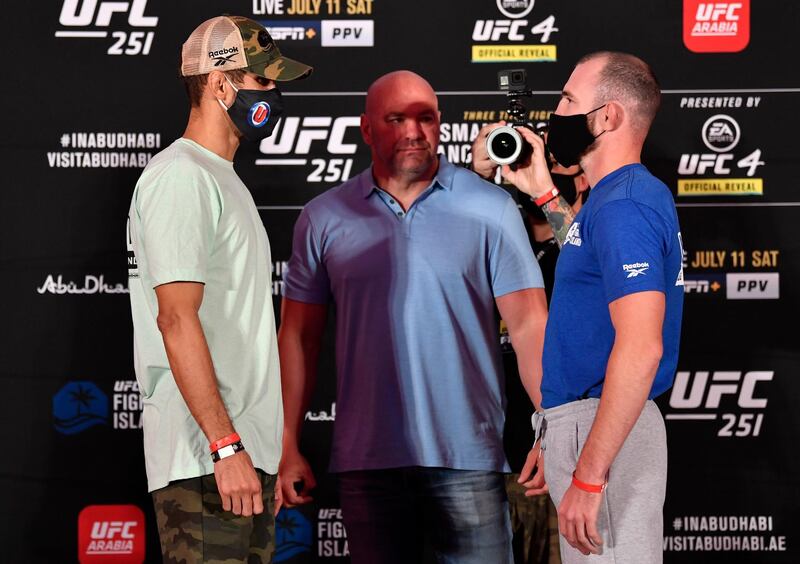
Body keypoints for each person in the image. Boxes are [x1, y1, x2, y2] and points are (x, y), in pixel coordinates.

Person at [277, 70, 548, 564]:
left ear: (440, 124)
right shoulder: (323, 217)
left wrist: (550, 428)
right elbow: (298, 337)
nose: (413, 131)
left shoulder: (491, 208)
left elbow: (530, 323)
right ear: (366, 129)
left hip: (469, 459)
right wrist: (288, 442)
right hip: (368, 463)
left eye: (425, 118)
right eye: (396, 119)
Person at [126, 15, 312, 563]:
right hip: (206, 460)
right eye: (263, 81)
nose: (273, 95)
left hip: (237, 459)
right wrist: (225, 445)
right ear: (218, 81)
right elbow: (175, 319)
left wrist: (258, 452)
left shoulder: (220, 177)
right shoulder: (182, 176)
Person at [503, 51, 684, 563]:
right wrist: (541, 192)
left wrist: (587, 468)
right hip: (588, 424)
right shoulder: (616, 198)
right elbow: (585, 250)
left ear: (606, 116)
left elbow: (642, 347)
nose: (556, 114)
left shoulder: (624, 205)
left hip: (602, 430)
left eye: (567, 100)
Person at [472, 131, 590, 564]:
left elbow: (585, 257)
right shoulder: (492, 239)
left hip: (567, 455)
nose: (532, 172)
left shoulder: (583, 240)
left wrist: (546, 196)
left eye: (549, 163)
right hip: (485, 456)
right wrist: (478, 180)